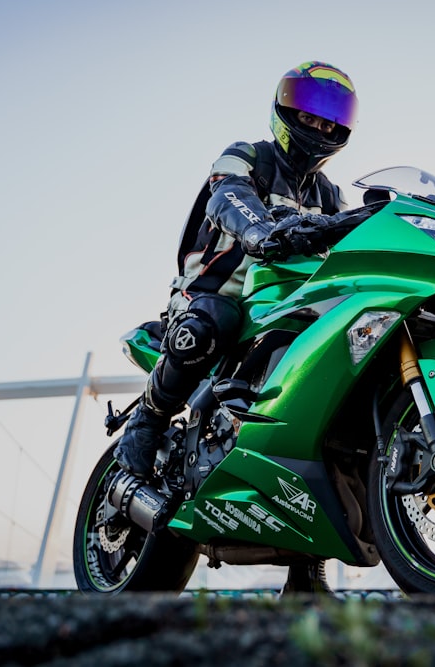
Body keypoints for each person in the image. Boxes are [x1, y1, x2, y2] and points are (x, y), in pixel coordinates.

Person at [113, 62, 359, 591]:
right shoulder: (249, 155)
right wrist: (261, 230)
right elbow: (226, 194)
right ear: (284, 109)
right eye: (309, 115)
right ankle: (147, 424)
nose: (319, 128)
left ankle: (306, 575)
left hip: (285, 306)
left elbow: (347, 242)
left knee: (326, 414)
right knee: (209, 323)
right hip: (215, 293)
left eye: (331, 121)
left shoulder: (331, 195)